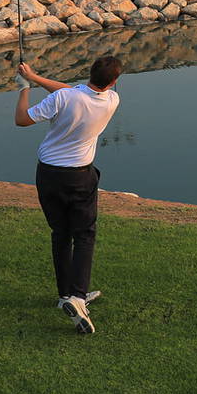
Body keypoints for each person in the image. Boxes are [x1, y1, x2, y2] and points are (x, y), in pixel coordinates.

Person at [15, 55, 124, 334]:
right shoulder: (112, 101)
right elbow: (69, 93)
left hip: (48, 175)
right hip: (79, 177)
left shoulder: (65, 98)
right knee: (85, 234)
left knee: (60, 233)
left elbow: (23, 119)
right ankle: (77, 297)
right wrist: (35, 78)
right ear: (112, 82)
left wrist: (24, 87)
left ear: (89, 73)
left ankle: (66, 295)